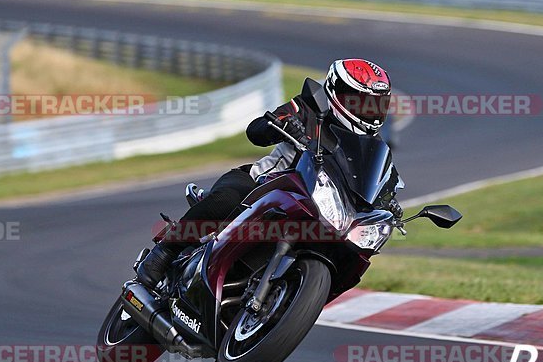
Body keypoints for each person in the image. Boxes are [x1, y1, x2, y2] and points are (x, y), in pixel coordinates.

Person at [136, 58, 403, 289]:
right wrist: (282, 125)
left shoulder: (373, 146)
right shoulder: (310, 108)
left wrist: (390, 204)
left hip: (317, 210)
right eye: (360, 101)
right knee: (227, 198)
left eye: (375, 103)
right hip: (262, 185)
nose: (368, 110)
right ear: (335, 92)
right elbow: (257, 129)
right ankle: (164, 252)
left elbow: (380, 180)